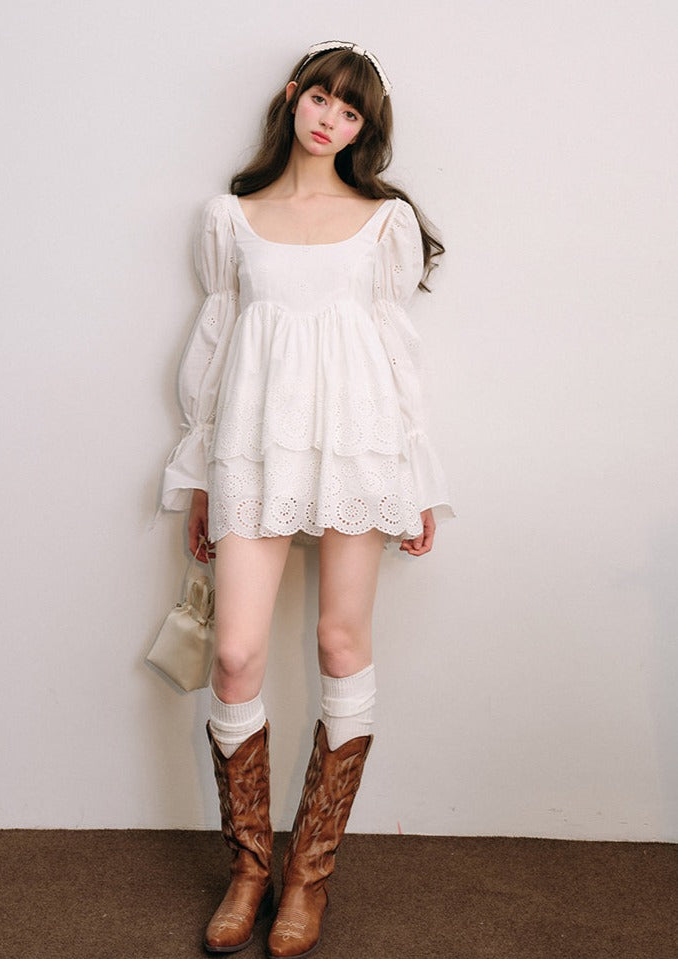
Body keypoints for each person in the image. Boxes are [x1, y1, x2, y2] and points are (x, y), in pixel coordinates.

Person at [160, 40, 454, 958]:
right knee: (236, 653)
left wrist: (416, 480)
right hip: (254, 447)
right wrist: (199, 476)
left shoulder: (383, 222)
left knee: (339, 641)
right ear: (294, 97)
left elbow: (396, 355)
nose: (331, 120)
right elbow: (215, 353)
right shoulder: (232, 218)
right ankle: (251, 866)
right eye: (322, 98)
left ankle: (308, 875)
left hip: (357, 446)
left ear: (364, 130)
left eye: (351, 112)